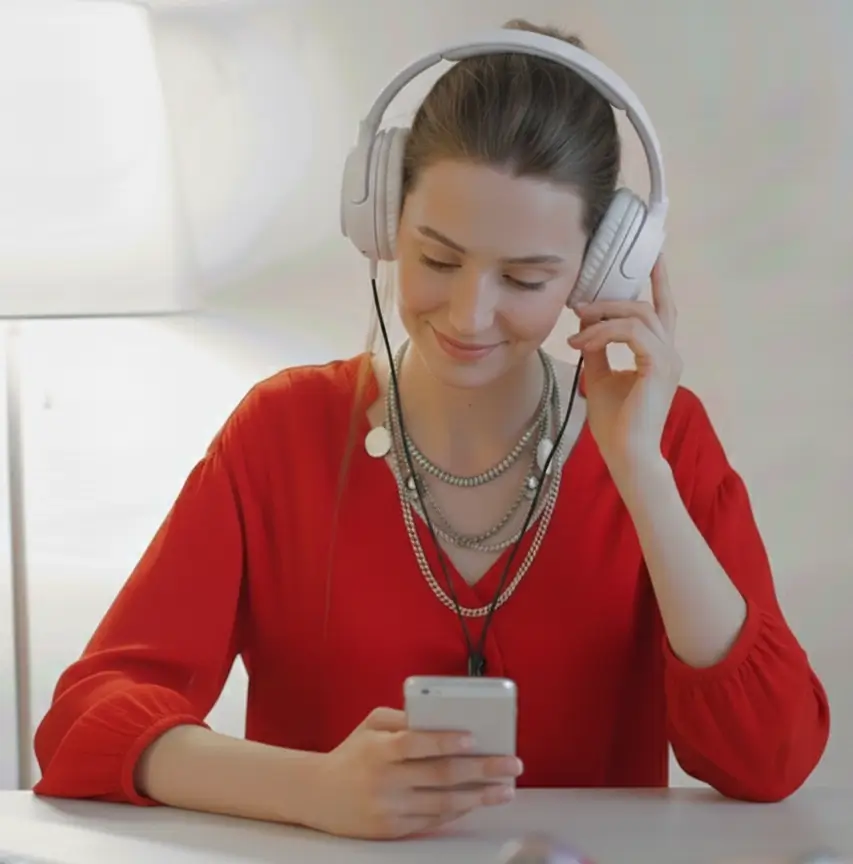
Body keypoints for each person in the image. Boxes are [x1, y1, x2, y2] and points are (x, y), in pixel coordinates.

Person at [33, 18, 828, 841]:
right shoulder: (281, 434)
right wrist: (312, 789)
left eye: (525, 277)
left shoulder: (663, 439)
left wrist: (639, 470)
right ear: (382, 222)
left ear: (601, 271)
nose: (468, 314)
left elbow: (770, 758)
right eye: (437, 260)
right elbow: (84, 725)